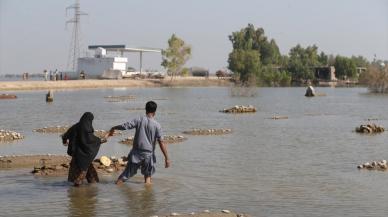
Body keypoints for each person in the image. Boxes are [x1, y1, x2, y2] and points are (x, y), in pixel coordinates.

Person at [107, 101, 170, 185]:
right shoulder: (157, 125)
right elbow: (161, 142)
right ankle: (148, 196)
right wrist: (167, 158)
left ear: (145, 110)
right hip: (148, 155)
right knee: (148, 178)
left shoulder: (139, 120)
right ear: (155, 112)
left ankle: (116, 188)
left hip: (136, 154)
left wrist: (114, 127)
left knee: (125, 176)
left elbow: (125, 126)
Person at [62, 112, 107, 187]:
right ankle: (78, 193)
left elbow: (65, 136)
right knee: (80, 177)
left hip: (76, 155)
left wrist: (65, 141)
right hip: (84, 157)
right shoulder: (87, 129)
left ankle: (89, 188)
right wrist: (102, 140)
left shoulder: (75, 127)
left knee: (91, 176)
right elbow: (92, 141)